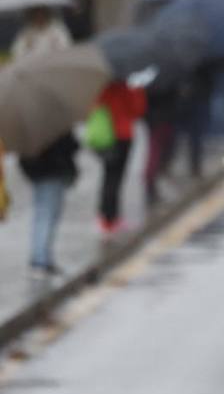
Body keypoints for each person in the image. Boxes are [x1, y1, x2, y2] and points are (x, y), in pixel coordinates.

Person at [20, 130, 79, 277]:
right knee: (48, 215)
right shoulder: (55, 125)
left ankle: (40, 257)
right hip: (53, 171)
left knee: (41, 214)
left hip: (36, 172)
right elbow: (71, 145)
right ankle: (41, 260)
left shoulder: (28, 126)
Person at [92, 80, 147, 236]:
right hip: (123, 134)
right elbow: (138, 110)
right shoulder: (132, 85)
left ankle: (105, 216)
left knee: (108, 175)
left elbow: (96, 104)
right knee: (116, 177)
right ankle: (112, 217)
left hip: (105, 134)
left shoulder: (103, 84)